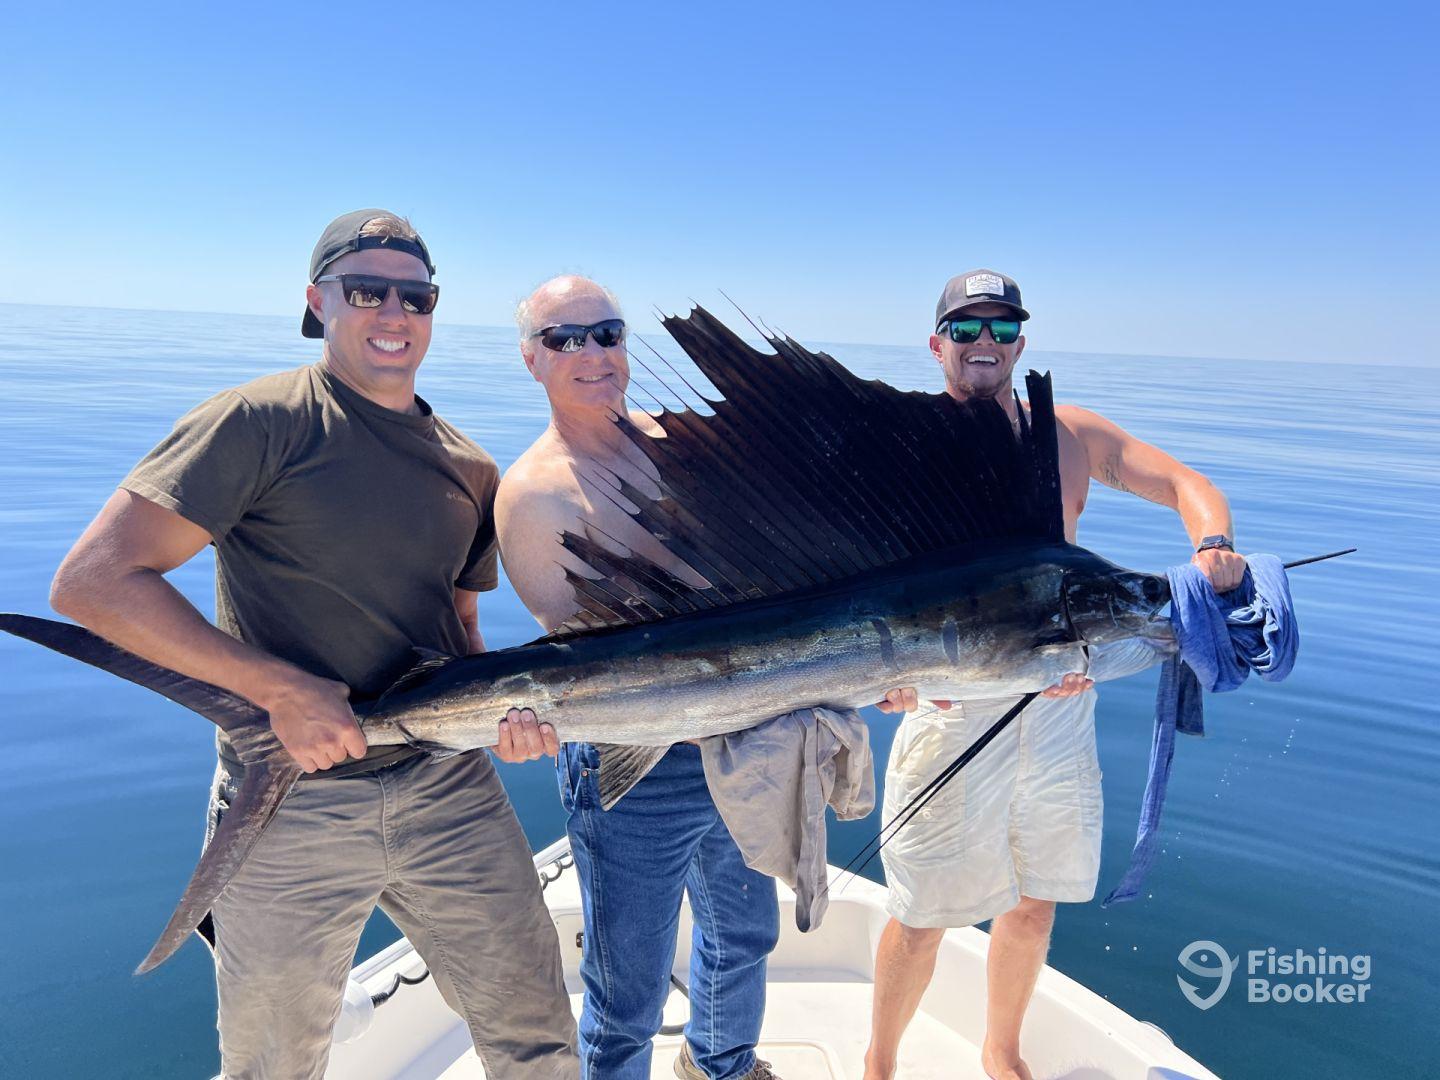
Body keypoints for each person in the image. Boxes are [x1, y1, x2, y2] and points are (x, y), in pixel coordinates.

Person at [48, 210, 577, 1079]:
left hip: (450, 792)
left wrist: (510, 721)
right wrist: (280, 689)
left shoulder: (472, 468)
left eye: (417, 294)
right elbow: (93, 582)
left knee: (540, 1037)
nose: (393, 312)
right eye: (367, 289)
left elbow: (463, 638)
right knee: (271, 1066)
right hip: (292, 803)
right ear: (317, 300)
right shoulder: (260, 421)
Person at [864, 269, 1247, 1080]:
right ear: (936, 344)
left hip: (1062, 707)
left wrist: (1212, 546)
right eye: (966, 329)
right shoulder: (904, 450)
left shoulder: (1066, 434)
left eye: (1003, 330)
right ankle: (880, 1062)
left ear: (1022, 346)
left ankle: (1001, 1049)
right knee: (923, 913)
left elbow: (1185, 484)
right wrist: (883, 685)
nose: (985, 345)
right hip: (953, 706)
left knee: (1034, 900)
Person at [496, 275, 782, 1080]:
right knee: (629, 991)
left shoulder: (688, 447)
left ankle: (720, 1066)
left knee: (745, 934)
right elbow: (586, 669)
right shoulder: (530, 496)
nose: (592, 353)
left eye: (606, 333)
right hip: (634, 766)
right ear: (532, 360)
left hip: (748, 736)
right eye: (565, 340)